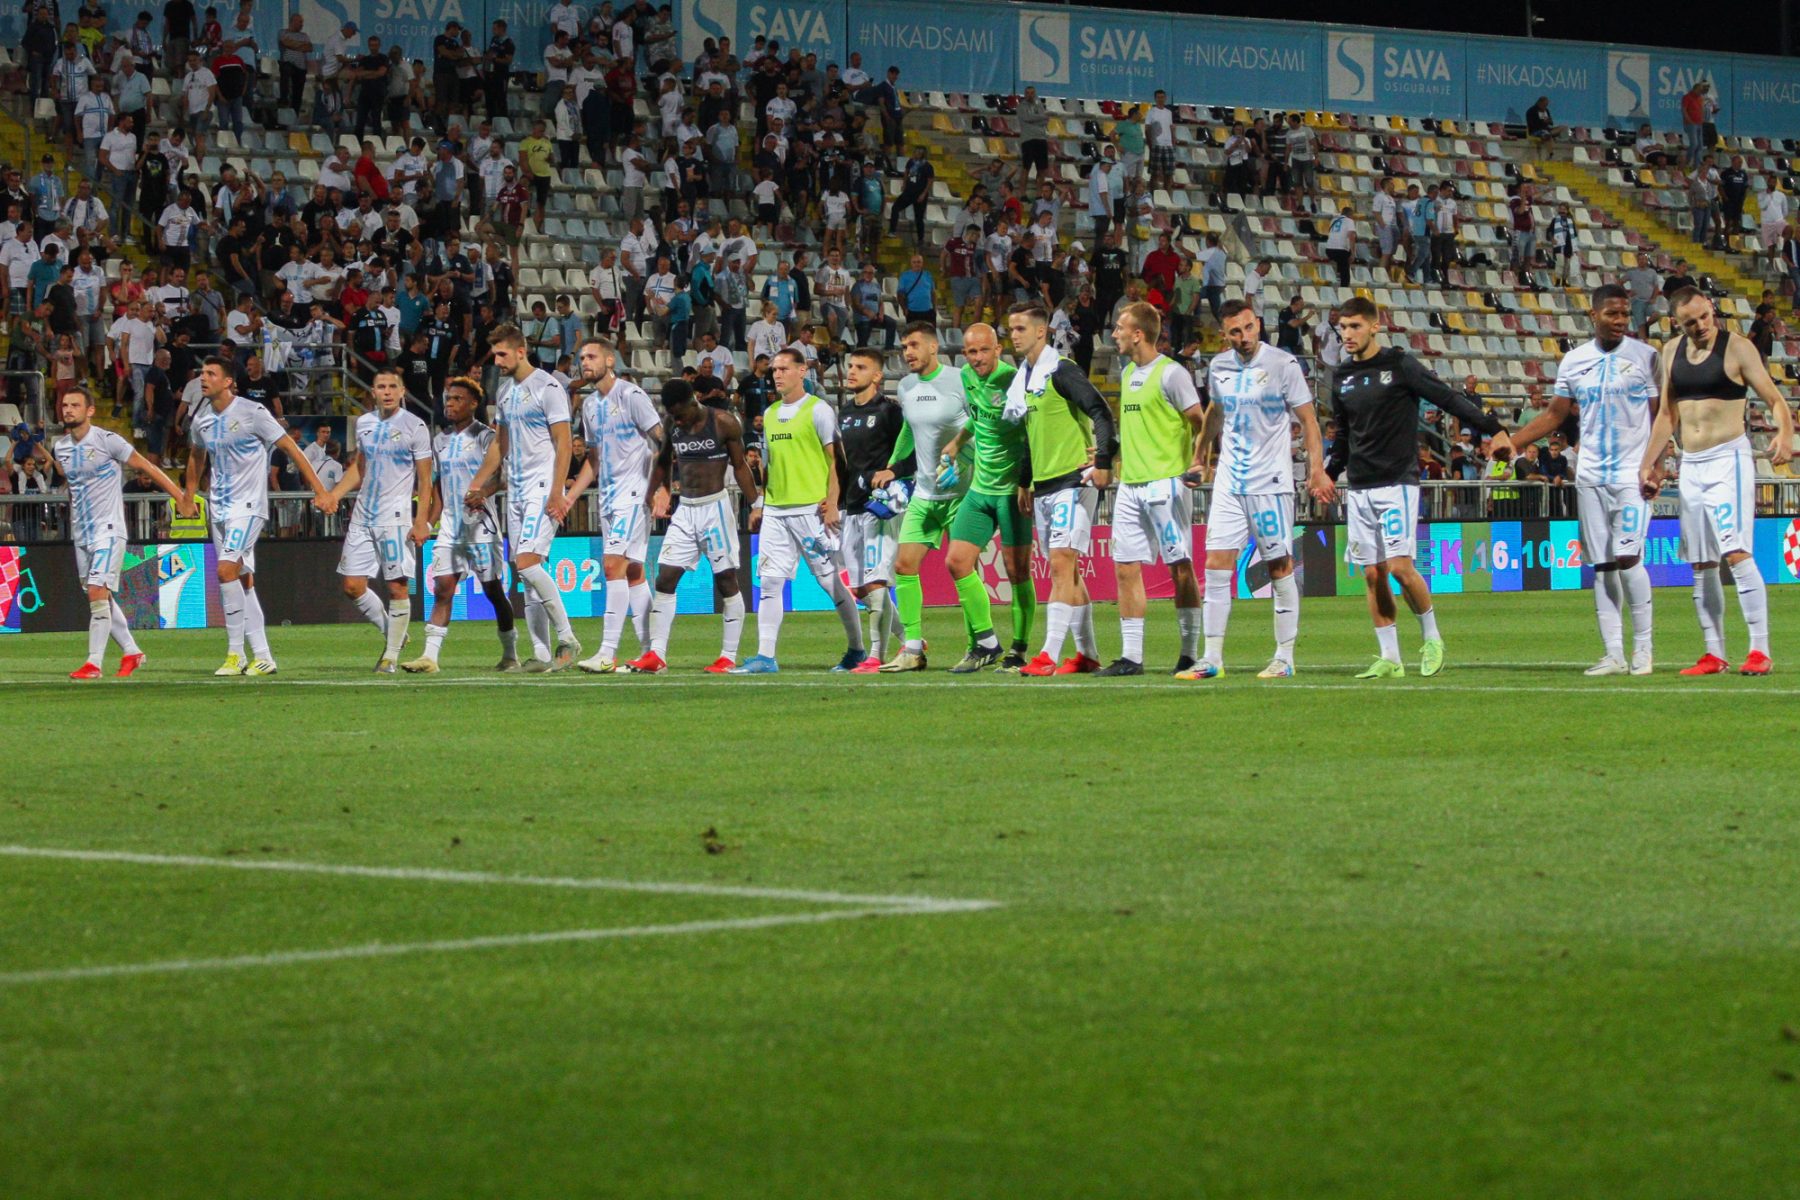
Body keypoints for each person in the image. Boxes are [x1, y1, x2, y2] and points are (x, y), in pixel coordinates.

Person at [1319, 298, 1510, 679]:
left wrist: (1494, 429)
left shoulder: (1399, 364)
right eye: (1343, 327)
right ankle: (1390, 656)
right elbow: (1342, 435)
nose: (1347, 334)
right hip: (1358, 487)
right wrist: (1329, 472)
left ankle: (1433, 638)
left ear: (1375, 326)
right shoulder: (1341, 376)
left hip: (1397, 484)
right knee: (1372, 575)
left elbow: (1449, 398)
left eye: (1355, 326)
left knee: (1400, 569)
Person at [1640, 288, 1795, 675]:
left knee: (1737, 553)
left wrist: (1786, 432)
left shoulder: (1737, 347)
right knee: (1701, 562)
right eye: (1691, 322)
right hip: (1691, 463)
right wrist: (1648, 464)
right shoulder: (1671, 351)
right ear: (1677, 322)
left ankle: (1759, 650)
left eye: (1705, 317)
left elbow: (1775, 399)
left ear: (1712, 310)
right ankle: (1715, 653)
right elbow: (1666, 417)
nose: (1701, 326)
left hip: (1729, 459)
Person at [1509, 284, 1660, 676]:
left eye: (1625, 314)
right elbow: (1555, 415)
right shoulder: (1574, 361)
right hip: (1590, 474)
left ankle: (1644, 649)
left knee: (1629, 557)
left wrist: (1657, 465)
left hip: (1632, 473)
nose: (1620, 321)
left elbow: (1663, 417)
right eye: (1612, 313)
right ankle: (1614, 653)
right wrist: (1510, 443)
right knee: (1604, 565)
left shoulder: (1647, 357)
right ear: (1593, 315)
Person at [1186, 299, 1329, 680]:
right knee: (1215, 566)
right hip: (1230, 483)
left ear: (1259, 324)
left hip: (1271, 484)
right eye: (1235, 331)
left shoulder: (1283, 365)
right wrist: (1200, 456)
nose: (1244, 337)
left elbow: (1309, 421)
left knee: (1279, 567)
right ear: (1224, 334)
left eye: (1249, 328)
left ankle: (1284, 658)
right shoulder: (1219, 367)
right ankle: (1212, 657)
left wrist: (1317, 470)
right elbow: (1215, 413)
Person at [184, 356, 334, 676]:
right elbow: (196, 456)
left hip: (249, 507)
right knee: (243, 580)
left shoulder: (253, 412)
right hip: (219, 508)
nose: (203, 378)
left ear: (228, 382)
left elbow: (291, 449)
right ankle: (263, 656)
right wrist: (188, 494)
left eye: (211, 373)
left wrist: (319, 490)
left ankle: (235, 653)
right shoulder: (202, 419)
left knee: (225, 571)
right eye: (201, 373)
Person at [35, 388, 192, 678]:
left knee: (97, 591)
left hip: (109, 529)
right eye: (65, 405)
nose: (67, 409)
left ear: (90, 410)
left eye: (75, 405)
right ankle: (132, 651)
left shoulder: (108, 440)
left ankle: (93, 663)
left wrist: (180, 496)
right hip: (81, 532)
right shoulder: (61, 447)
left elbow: (147, 467)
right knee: (99, 596)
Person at [729, 347, 865, 674]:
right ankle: (765, 656)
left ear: (802, 371)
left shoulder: (819, 410)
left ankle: (857, 650)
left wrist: (833, 502)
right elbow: (772, 465)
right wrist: (762, 502)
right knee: (770, 582)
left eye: (783, 368)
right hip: (777, 510)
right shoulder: (772, 413)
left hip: (811, 511)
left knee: (829, 581)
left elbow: (837, 461)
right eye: (774, 369)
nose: (776, 374)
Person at [1092, 302, 1207, 678]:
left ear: (1138, 334)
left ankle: (1189, 652)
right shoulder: (1127, 373)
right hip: (1131, 484)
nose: (1115, 334)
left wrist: (1198, 460)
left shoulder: (1172, 374)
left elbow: (1198, 420)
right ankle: (1131, 657)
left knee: (1180, 568)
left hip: (1166, 485)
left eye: (1120, 328)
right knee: (1125, 566)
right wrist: (1112, 452)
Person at [1002, 304, 1117, 676]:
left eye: (1020, 328)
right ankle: (1088, 655)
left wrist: (1102, 461)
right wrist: (1025, 480)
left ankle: (1048, 654)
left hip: (1073, 481)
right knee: (1069, 575)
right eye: (1011, 328)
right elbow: (1031, 437)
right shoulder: (1025, 379)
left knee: (1061, 566)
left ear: (1041, 332)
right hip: (1045, 485)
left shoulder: (1061, 371)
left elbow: (1101, 411)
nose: (1014, 334)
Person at [871, 322, 993, 672]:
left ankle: (978, 646)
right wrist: (893, 466)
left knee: (964, 568)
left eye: (912, 345)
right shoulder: (907, 386)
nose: (906, 352)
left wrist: (966, 460)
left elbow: (982, 425)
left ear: (932, 347)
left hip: (962, 494)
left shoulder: (960, 380)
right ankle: (912, 649)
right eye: (903, 346)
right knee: (903, 565)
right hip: (924, 494)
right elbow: (910, 428)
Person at [465, 325, 581, 672]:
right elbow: (500, 445)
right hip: (514, 489)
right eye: (494, 354)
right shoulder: (503, 391)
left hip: (542, 487)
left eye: (501, 354)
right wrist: (477, 485)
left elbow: (563, 442)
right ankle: (542, 655)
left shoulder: (548, 387)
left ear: (520, 351)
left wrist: (558, 491)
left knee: (527, 563)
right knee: (528, 576)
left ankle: (568, 638)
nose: (496, 360)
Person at [633, 380, 759, 673]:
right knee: (665, 578)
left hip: (715, 508)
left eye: (680, 414)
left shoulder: (724, 423)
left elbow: (740, 466)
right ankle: (657, 655)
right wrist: (652, 494)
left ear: (693, 401)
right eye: (672, 415)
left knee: (727, 580)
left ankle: (727, 656)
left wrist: (757, 505)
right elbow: (663, 462)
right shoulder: (673, 424)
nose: (677, 420)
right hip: (685, 510)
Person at [400, 377, 519, 672]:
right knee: (442, 588)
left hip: (481, 526)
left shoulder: (486, 437)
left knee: (493, 592)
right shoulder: (440, 441)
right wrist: (428, 522)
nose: (450, 404)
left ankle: (510, 654)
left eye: (457, 399)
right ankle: (430, 657)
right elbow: (437, 489)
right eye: (448, 398)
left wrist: (484, 493)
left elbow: (500, 478)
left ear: (474, 404)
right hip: (451, 528)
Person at [564, 338, 662, 673]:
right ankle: (653, 654)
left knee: (612, 567)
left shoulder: (631, 395)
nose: (584, 362)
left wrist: (660, 487)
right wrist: (571, 496)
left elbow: (663, 441)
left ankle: (607, 652)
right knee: (633, 572)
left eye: (591, 356)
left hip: (634, 493)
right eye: (581, 358)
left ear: (610, 360)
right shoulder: (590, 406)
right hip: (608, 496)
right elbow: (594, 460)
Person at [941, 322, 1034, 671]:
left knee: (1017, 573)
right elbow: (978, 418)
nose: (977, 358)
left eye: (983, 350)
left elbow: (1032, 430)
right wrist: (958, 441)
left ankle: (1020, 650)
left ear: (998, 349)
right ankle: (986, 643)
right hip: (980, 488)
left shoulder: (1014, 380)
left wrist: (1028, 481)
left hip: (1011, 491)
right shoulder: (966, 376)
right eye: (971, 352)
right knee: (957, 561)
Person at [326, 371, 432, 673]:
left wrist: (421, 520)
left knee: (397, 588)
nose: (387, 392)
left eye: (392, 387)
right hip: (362, 516)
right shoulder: (364, 424)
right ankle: (394, 634)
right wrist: (335, 494)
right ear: (373, 391)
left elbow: (425, 480)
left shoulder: (415, 426)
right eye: (381, 387)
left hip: (395, 518)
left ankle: (390, 657)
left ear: (402, 391)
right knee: (352, 586)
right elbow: (359, 469)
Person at [835, 348, 911, 672]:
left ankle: (875, 656)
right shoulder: (843, 413)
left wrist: (894, 473)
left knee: (877, 580)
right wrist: (833, 499)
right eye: (850, 366)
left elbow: (913, 450)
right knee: (860, 587)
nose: (852, 371)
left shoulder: (890, 412)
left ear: (877, 376)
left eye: (861, 367)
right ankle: (909, 640)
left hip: (880, 507)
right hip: (850, 506)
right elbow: (840, 464)